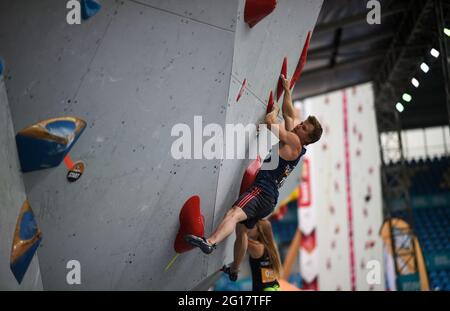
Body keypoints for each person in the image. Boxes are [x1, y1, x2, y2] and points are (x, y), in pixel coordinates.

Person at [185, 74, 322, 281]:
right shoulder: (297, 141)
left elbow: (269, 121)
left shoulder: (294, 141)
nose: (299, 125)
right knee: (242, 231)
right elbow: (290, 113)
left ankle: (210, 242)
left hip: (261, 190)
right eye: (302, 123)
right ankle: (235, 268)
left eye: (304, 128)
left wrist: (273, 112)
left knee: (233, 213)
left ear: (307, 139)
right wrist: (286, 91)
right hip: (268, 199)